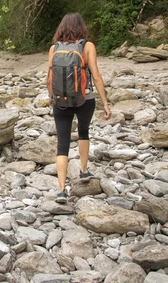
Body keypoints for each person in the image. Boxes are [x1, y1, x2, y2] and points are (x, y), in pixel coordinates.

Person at [47, 13, 111, 204]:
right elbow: (96, 76)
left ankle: (61, 190)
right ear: (82, 27)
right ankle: (83, 171)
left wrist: (52, 97)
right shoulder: (87, 46)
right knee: (83, 131)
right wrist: (105, 102)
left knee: (62, 143)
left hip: (60, 100)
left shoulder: (54, 48)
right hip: (85, 99)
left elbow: (49, 77)